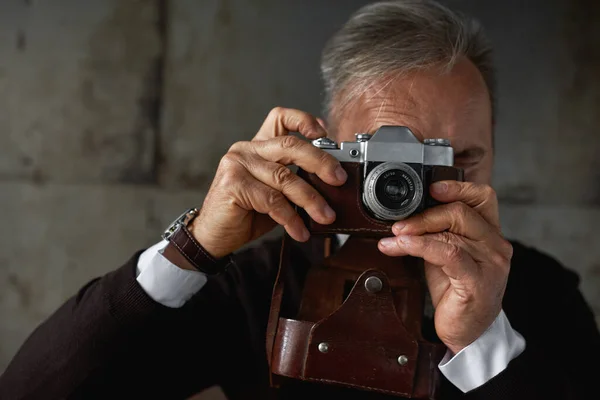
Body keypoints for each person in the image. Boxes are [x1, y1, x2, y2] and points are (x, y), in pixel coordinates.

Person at [1, 1, 599, 399]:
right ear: (329, 146)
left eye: (455, 162)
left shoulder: (539, 291)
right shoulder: (259, 283)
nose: (406, 189)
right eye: (386, 163)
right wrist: (195, 246)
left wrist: (486, 343)